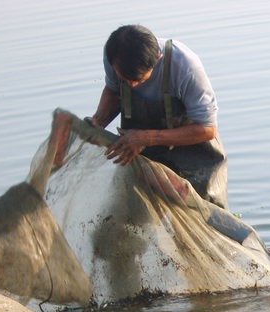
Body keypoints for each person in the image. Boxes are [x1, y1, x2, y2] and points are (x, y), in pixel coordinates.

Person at [86, 24, 228, 209]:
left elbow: (207, 129)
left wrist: (146, 138)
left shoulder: (185, 67)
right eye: (125, 80)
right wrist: (99, 121)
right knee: (133, 213)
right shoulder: (113, 56)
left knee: (201, 215)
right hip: (144, 156)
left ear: (158, 59)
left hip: (196, 158)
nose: (132, 85)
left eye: (139, 79)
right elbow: (114, 92)